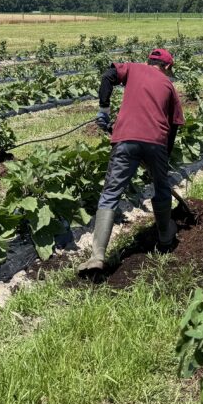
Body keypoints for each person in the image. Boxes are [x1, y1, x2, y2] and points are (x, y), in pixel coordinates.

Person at [78, 48, 184, 275]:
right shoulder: (169, 86)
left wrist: (104, 110)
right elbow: (174, 125)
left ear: (149, 62)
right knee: (162, 187)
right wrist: (162, 159)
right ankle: (165, 237)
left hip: (125, 139)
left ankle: (97, 256)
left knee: (110, 193)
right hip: (156, 141)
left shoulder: (133, 69)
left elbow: (108, 76)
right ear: (166, 66)